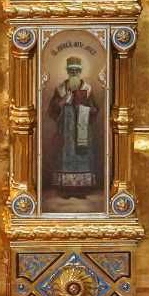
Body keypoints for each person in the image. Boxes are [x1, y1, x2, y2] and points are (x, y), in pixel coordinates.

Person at [48, 55, 101, 198]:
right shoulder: (60, 89)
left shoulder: (87, 89)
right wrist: (62, 102)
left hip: (82, 131)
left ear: (80, 71)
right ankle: (65, 190)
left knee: (82, 157)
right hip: (65, 134)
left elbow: (95, 109)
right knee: (64, 158)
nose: (74, 73)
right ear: (67, 71)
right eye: (71, 71)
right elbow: (51, 110)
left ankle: (81, 190)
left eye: (76, 71)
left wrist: (83, 108)